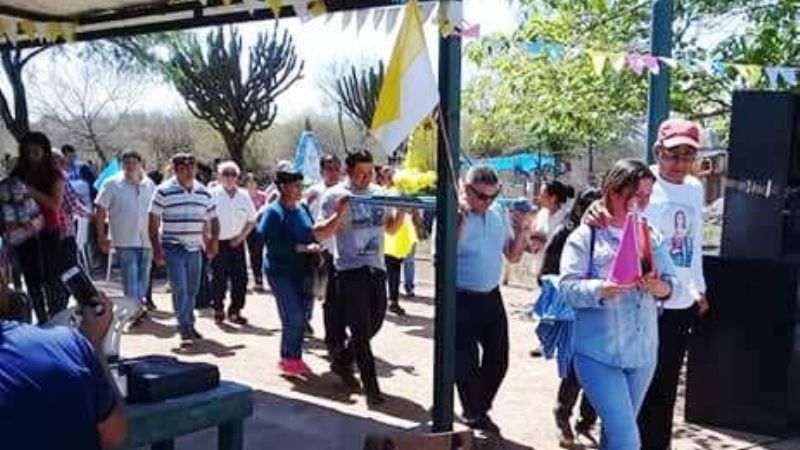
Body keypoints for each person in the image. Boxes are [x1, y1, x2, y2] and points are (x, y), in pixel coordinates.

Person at [585, 120, 708, 450]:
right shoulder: (643, 184)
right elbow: (608, 208)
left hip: (679, 299)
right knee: (629, 394)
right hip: (639, 302)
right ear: (658, 151)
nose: (680, 163)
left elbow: (693, 243)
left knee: (665, 390)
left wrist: (699, 286)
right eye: (673, 154)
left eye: (688, 155)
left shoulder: (696, 188)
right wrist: (594, 211)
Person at [561, 159, 677, 450]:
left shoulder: (651, 235)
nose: (642, 202)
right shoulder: (586, 236)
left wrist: (658, 286)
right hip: (598, 355)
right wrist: (603, 288)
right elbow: (567, 288)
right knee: (627, 439)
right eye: (636, 195)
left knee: (616, 435)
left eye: (648, 195)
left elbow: (671, 286)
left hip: (642, 354)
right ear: (612, 191)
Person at [313, 148, 406, 405]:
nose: (365, 178)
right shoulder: (334, 196)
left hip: (377, 269)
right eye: (360, 174)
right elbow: (319, 233)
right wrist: (339, 214)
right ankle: (372, 388)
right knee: (361, 330)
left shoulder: (379, 194)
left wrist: (403, 210)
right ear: (348, 171)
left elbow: (391, 229)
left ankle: (342, 361)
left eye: (369, 172)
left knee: (376, 321)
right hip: (349, 271)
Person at [453, 165, 529, 435]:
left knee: (499, 358)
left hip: (490, 295)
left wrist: (522, 230)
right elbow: (442, 258)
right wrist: (458, 223)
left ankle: (476, 408)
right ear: (465, 188)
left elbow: (513, 256)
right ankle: (476, 413)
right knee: (465, 361)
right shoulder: (454, 214)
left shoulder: (498, 213)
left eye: (492, 196)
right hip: (460, 297)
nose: (487, 203)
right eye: (481, 196)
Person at [0, 291, 127, 449]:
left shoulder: (72, 344)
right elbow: (114, 434)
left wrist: (87, 347)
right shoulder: (69, 344)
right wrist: (92, 348)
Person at [538, 187, 602, 447]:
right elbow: (547, 273)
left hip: (601, 310)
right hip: (574, 311)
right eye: (590, 204)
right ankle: (563, 415)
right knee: (576, 368)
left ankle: (587, 421)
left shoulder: (609, 233)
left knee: (600, 369)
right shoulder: (567, 233)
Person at [149, 153, 219, 342]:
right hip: (173, 246)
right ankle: (184, 325)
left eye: (191, 168)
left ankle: (189, 321)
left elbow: (213, 218)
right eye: (183, 168)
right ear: (176, 170)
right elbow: (153, 222)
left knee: (192, 288)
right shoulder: (163, 190)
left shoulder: (204, 192)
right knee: (179, 287)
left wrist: (213, 242)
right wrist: (157, 250)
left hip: (194, 246)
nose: (188, 172)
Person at [259, 163, 319, 377]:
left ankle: (295, 356)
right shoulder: (274, 212)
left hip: (303, 271)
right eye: (295, 185)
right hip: (280, 271)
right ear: (283, 187)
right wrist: (301, 247)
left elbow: (311, 231)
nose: (299, 188)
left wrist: (316, 245)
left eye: (300, 184)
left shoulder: (302, 208)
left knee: (303, 315)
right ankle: (288, 358)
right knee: (292, 315)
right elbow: (268, 241)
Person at [9, 132, 67, 323]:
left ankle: (56, 318)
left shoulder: (54, 174)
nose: (32, 154)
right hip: (23, 232)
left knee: (51, 277)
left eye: (36, 150)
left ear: (45, 150)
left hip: (48, 230)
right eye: (28, 151)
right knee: (31, 278)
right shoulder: (17, 174)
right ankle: (41, 319)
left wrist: (31, 192)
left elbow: (55, 204)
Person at [95, 150, 157, 315]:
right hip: (124, 238)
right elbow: (100, 210)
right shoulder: (111, 183)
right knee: (130, 278)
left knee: (143, 278)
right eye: (127, 163)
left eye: (134, 162)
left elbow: (157, 211)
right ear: (122, 165)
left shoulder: (149, 184)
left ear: (140, 164)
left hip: (147, 238)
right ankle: (134, 311)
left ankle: (137, 307)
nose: (130, 166)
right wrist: (101, 236)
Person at [210, 161, 256, 325]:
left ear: (237, 177)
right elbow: (205, 219)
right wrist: (210, 241)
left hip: (237, 242)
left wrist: (241, 237)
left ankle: (235, 310)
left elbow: (251, 220)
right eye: (226, 174)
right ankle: (218, 308)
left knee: (240, 278)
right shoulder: (212, 194)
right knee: (219, 278)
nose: (229, 177)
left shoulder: (244, 196)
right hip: (218, 241)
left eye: (233, 174)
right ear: (219, 176)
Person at [303, 154, 343, 342]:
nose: (333, 172)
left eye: (337, 168)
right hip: (315, 248)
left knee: (333, 296)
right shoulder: (313, 192)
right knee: (310, 289)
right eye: (329, 168)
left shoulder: (345, 192)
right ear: (321, 171)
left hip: (339, 250)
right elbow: (303, 216)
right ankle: (304, 321)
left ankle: (334, 333)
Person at [244, 172, 268, 292]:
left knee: (257, 253)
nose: (251, 184)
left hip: (259, 228)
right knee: (248, 253)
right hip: (245, 227)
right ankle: (247, 278)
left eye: (253, 181)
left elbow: (266, 211)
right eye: (249, 182)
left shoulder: (263, 196)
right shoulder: (243, 196)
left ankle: (259, 279)